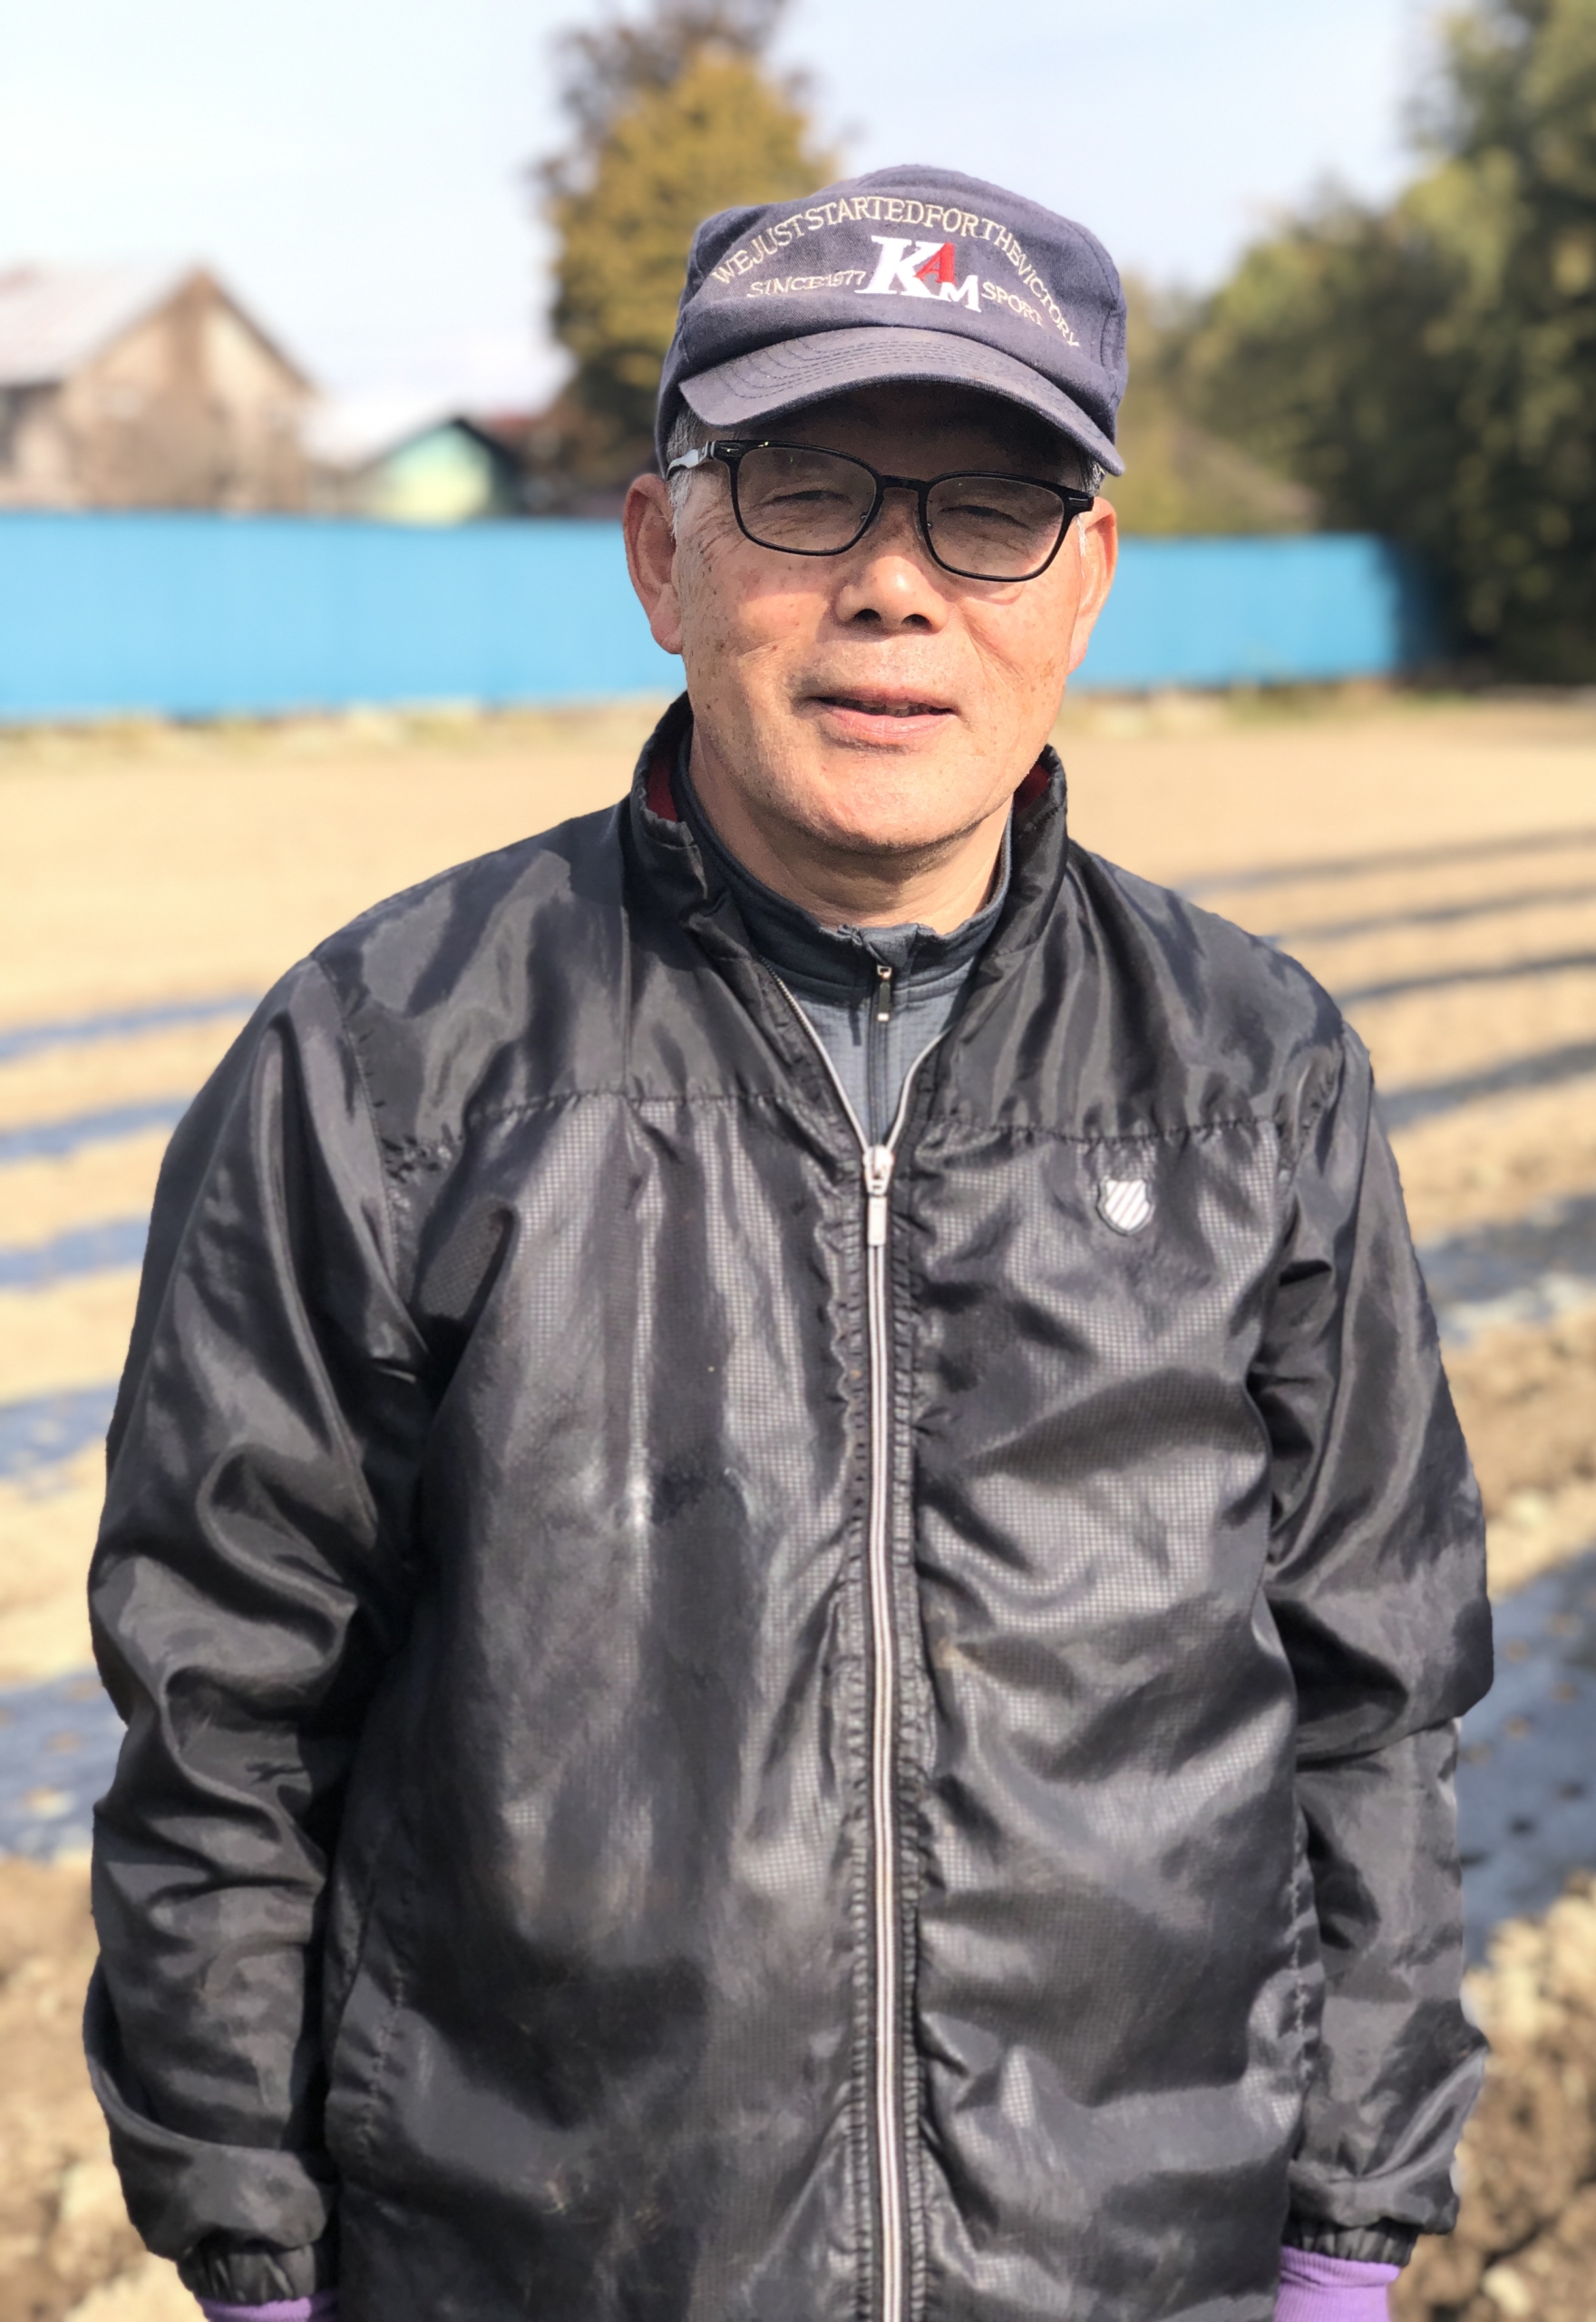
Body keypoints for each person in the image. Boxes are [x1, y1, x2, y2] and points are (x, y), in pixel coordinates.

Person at [84, 166, 1492, 2322]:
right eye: (808, 492)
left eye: (990, 511)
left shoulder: (1254, 1076)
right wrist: (262, 2256)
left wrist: (1336, 2242)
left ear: (1088, 581)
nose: (896, 588)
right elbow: (226, 1709)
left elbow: (1377, 1702)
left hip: (1143, 2272)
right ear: (664, 553)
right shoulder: (385, 1068)